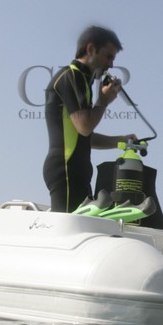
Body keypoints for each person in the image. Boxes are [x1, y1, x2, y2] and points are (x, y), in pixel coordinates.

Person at [42, 25, 138, 213]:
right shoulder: (71, 76)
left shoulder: (82, 81)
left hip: (77, 172)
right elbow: (84, 126)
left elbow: (84, 136)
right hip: (66, 170)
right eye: (108, 56)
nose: (111, 65)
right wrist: (103, 101)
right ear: (90, 49)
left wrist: (121, 140)